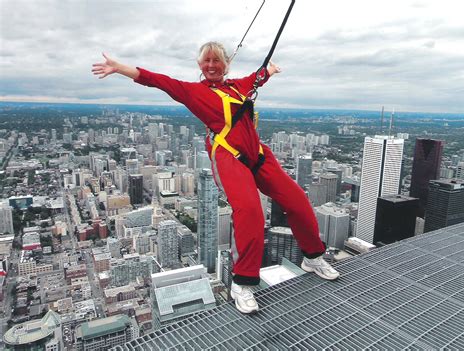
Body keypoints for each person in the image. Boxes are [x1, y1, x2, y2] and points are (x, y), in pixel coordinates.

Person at [92, 42, 340, 314]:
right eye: (206, 61)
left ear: (226, 64)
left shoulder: (238, 86)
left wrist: (268, 70)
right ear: (200, 65)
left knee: (296, 200)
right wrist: (119, 68)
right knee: (249, 211)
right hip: (229, 156)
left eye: (217, 61)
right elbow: (155, 80)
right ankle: (242, 283)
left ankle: (313, 256)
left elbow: (257, 77)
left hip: (258, 154)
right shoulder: (193, 92)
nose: (211, 65)